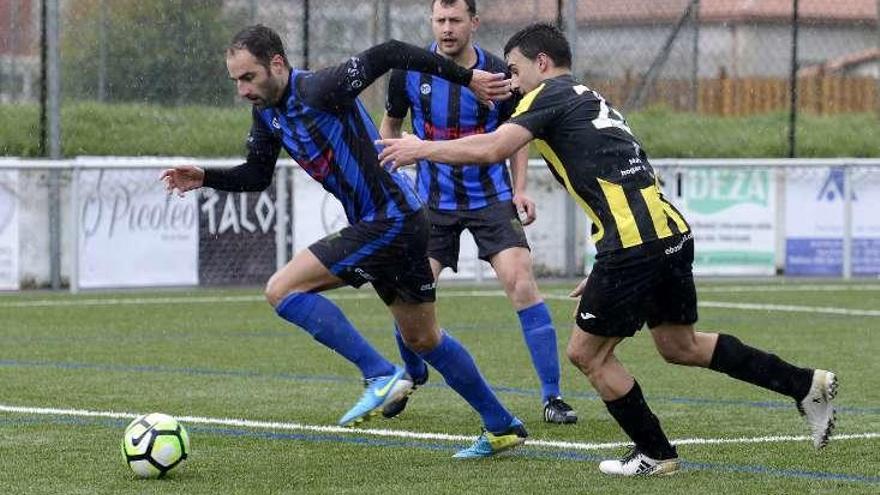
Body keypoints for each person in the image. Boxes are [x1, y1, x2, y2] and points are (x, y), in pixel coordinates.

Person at [377, 23, 837, 475]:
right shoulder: (588, 97)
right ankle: (804, 384)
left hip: (635, 244)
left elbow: (493, 148)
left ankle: (655, 453)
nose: (511, 81)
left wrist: (422, 148)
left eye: (515, 70)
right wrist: (609, 263)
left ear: (542, 63)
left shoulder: (547, 97)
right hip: (667, 232)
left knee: (587, 353)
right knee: (681, 345)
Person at [160, 24, 528, 458]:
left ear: (276, 64)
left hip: (389, 219)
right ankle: (501, 425)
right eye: (236, 81)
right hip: (402, 220)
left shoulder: (320, 88)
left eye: (248, 78)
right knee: (424, 339)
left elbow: (390, 51)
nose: (242, 90)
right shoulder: (267, 114)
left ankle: (377, 373)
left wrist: (466, 78)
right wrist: (206, 177)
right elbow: (257, 175)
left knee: (282, 289)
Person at [378, 0, 576, 424]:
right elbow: (390, 129)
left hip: (491, 199)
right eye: (440, 20)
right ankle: (412, 374)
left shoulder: (501, 74)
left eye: (455, 20)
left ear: (474, 23)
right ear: (431, 22)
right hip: (432, 205)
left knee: (522, 284)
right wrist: (394, 176)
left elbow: (518, 137)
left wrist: (519, 189)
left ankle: (552, 397)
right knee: (406, 299)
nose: (447, 29)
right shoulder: (409, 72)